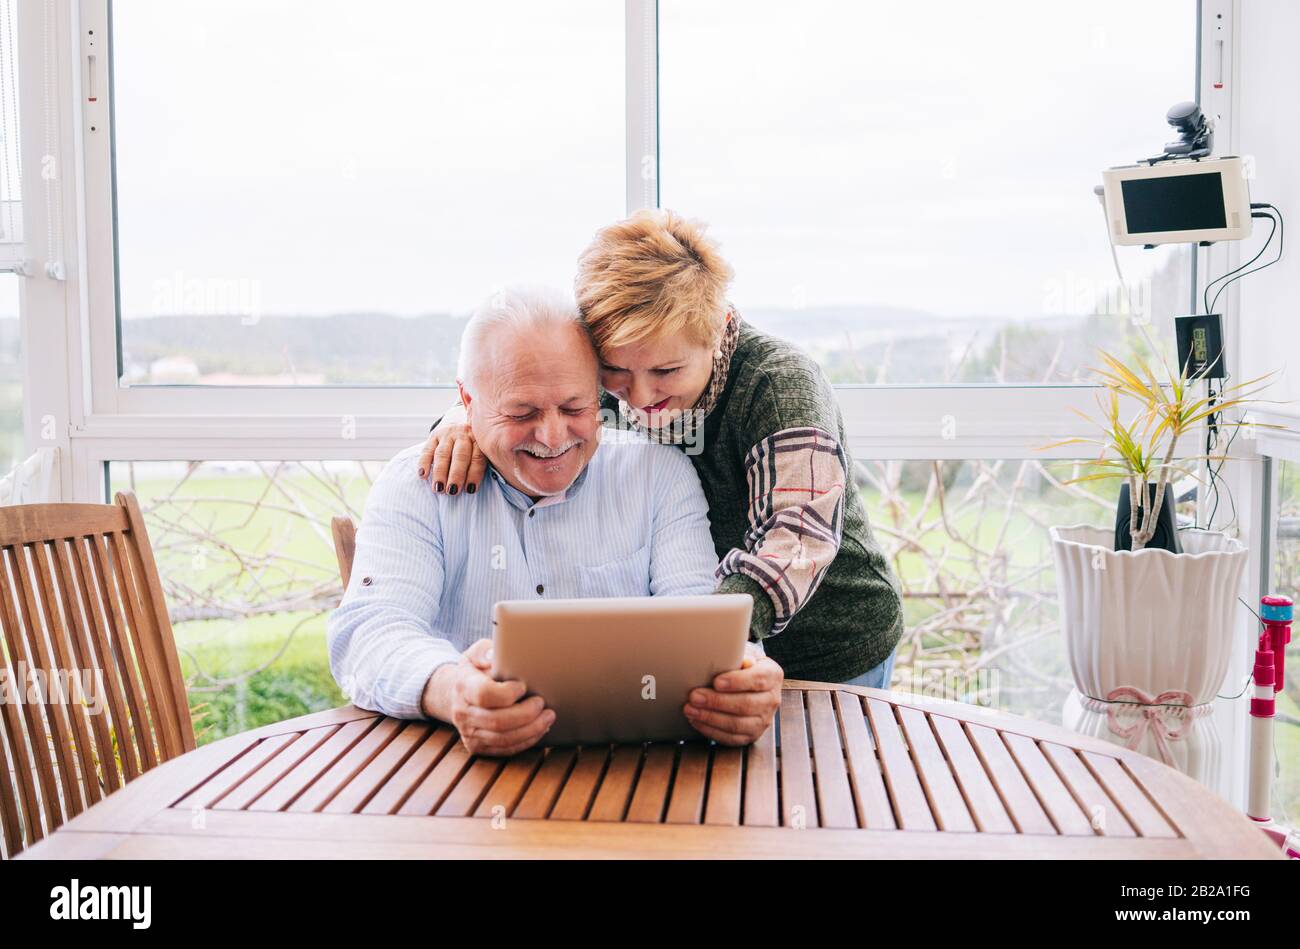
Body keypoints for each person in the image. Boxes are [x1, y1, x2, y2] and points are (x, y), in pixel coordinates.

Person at [419, 211, 905, 688]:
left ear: (715, 333)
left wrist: (700, 638)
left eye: (667, 373)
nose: (640, 396)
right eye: (615, 372)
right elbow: (524, 386)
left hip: (834, 647)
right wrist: (461, 420)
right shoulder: (623, 373)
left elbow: (797, 538)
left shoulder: (778, 388)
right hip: (714, 647)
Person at [327, 286, 783, 756]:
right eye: (521, 413)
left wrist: (744, 675)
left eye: (574, 408)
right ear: (467, 400)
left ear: (600, 395)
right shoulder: (416, 485)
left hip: (640, 776)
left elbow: (701, 619)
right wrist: (452, 690)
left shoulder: (656, 474)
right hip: (460, 778)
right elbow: (368, 632)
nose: (552, 437)